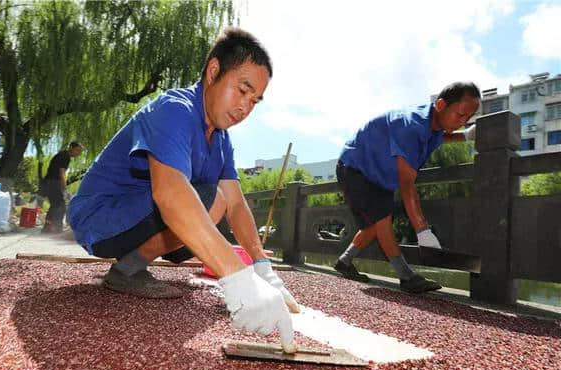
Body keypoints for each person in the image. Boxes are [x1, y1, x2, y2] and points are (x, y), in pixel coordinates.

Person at [68, 28, 298, 352]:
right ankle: (127, 270)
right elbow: (170, 193)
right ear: (214, 71)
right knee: (204, 196)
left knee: (216, 200)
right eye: (241, 90)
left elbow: (234, 203)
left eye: (254, 100)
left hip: (139, 217)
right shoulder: (174, 109)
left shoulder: (221, 140)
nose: (245, 107)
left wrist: (262, 267)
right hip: (98, 217)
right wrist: (236, 277)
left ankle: (133, 263)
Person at [334, 82, 480, 293]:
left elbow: (440, 137)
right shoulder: (411, 126)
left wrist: (465, 136)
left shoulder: (434, 125)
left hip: (380, 176)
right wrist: (422, 230)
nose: (462, 122)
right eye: (460, 115)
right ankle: (407, 276)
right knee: (382, 219)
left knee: (374, 224)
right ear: (440, 104)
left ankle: (344, 261)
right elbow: (407, 185)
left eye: (467, 119)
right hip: (357, 166)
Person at [41, 141, 84, 233]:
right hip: (53, 182)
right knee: (60, 205)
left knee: (55, 204)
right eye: (77, 150)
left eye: (80, 152)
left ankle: (48, 227)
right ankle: (56, 228)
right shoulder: (65, 156)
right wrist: (64, 186)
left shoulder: (62, 155)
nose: (78, 153)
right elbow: (62, 172)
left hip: (48, 182)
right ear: (71, 147)